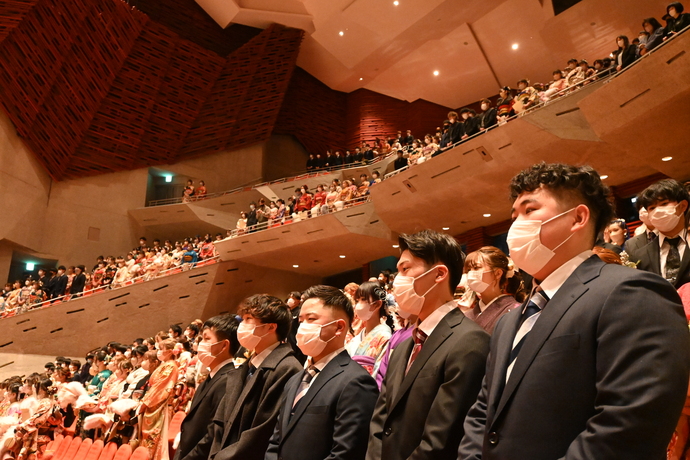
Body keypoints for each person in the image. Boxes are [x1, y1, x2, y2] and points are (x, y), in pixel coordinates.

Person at [459, 163, 690, 460]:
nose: (516, 225)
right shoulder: (509, 322)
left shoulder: (631, 292)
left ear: (578, 218)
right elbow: (483, 411)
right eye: (514, 216)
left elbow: (628, 426)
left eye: (529, 210)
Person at [367, 230, 490, 460]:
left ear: (439, 274)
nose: (396, 280)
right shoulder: (404, 345)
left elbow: (441, 439)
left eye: (405, 269)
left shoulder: (470, 341)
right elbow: (380, 420)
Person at [265, 285, 379, 460]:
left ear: (339, 327)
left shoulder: (356, 381)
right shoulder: (294, 380)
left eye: (311, 319)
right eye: (301, 320)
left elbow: (346, 453)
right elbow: (276, 441)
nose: (303, 327)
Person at [206, 295, 301, 460]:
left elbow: (262, 433)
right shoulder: (246, 366)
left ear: (271, 327)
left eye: (248, 319)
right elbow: (221, 421)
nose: (241, 325)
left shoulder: (287, 368)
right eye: (242, 319)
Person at [175, 315, 239, 460]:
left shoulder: (228, 380)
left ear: (224, 345)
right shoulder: (212, 376)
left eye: (206, 339)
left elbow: (213, 435)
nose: (200, 344)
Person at [626, 179, 690, 288]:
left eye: (664, 203)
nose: (658, 211)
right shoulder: (640, 255)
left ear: (683, 205)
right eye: (652, 208)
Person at [463, 247, 523, 334]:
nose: (470, 274)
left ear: (498, 273)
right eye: (468, 270)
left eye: (476, 268)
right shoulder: (466, 316)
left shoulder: (515, 310)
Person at [139, 338, 179, 460]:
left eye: (161, 349)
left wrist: (145, 402)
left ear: (170, 351)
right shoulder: (164, 365)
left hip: (160, 406)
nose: (159, 352)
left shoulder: (171, 366)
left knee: (155, 440)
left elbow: (159, 388)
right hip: (153, 406)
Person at [346, 282, 392, 376]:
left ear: (377, 304)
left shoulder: (385, 337)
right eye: (357, 300)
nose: (358, 305)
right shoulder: (356, 339)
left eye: (363, 299)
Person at [285, 292, 306, 364]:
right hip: (289, 340)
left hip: (296, 340)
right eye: (289, 298)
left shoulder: (299, 312)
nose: (290, 300)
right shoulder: (288, 312)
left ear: (298, 300)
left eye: (293, 298)